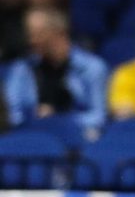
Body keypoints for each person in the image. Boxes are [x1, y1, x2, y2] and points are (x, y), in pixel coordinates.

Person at [5, 9, 109, 137]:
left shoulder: (93, 68)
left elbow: (98, 116)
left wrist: (57, 119)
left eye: (38, 34)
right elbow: (12, 114)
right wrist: (34, 118)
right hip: (32, 133)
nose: (31, 40)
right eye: (29, 34)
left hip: (77, 135)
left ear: (59, 34)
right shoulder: (22, 68)